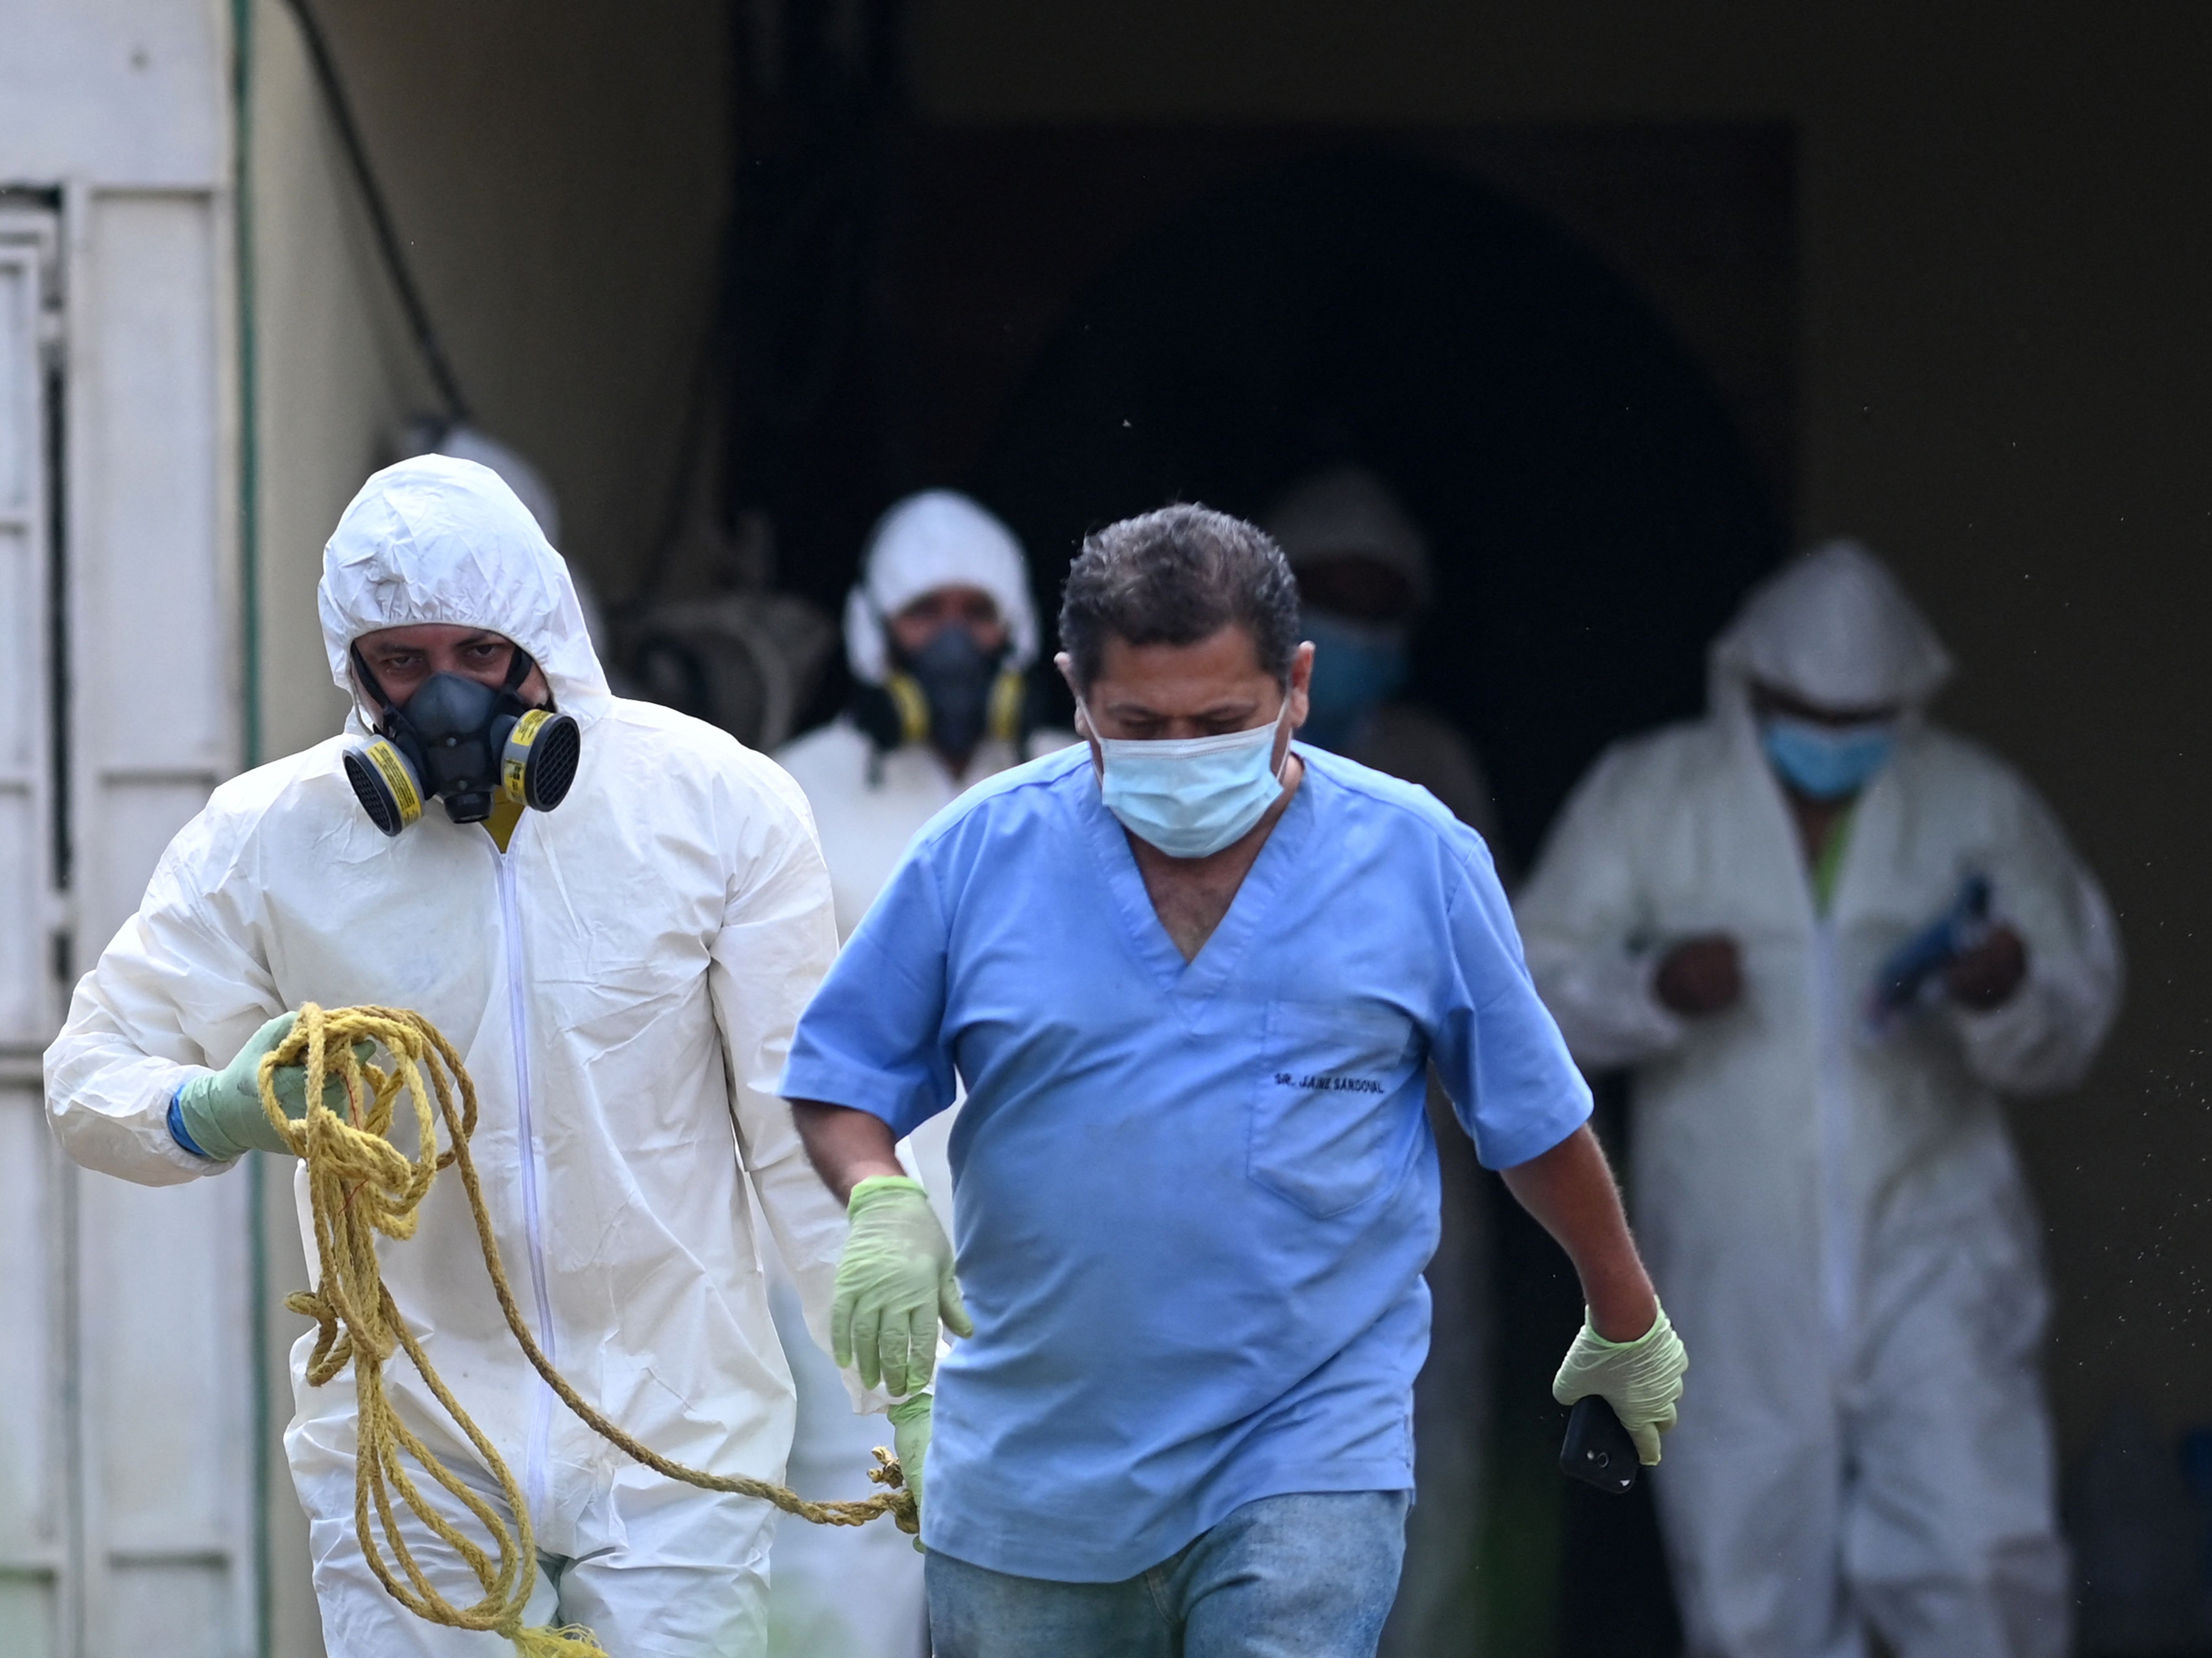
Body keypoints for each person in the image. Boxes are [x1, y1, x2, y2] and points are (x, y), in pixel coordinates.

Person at [777, 504, 1688, 1658]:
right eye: (1137, 726)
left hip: (1303, 1447)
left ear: (1296, 685)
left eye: (1219, 724)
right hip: (1029, 1468)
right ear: (1072, 693)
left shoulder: (1409, 858)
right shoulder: (983, 852)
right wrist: (879, 1195)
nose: (1179, 759)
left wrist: (1624, 1313)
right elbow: (841, 1070)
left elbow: (1528, 1115)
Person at [43, 455, 893, 1656]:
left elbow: (789, 1118)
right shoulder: (266, 842)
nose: (447, 703)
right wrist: (215, 1109)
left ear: (543, 638)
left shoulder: (716, 807)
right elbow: (86, 1081)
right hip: (410, 1453)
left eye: (480, 656)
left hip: (676, 1435)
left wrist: (911, 1394)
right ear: (356, 670)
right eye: (404, 664)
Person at [1514, 539, 2121, 1658]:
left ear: (1907, 702)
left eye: (1862, 717)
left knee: (1981, 1559)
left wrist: (2006, 991)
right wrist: (1654, 987)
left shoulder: (1970, 799)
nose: (1832, 740)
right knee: (1748, 1578)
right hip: (1735, 1255)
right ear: (1747, 686)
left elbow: (2075, 1015)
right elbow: (1525, 993)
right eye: (1806, 712)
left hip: (1936, 1240)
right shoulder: (1651, 795)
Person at [767, 491, 1070, 1658]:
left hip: (1052, 1250)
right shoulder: (791, 797)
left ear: (1017, 630)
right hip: (857, 1243)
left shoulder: (1080, 787)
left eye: (973, 612)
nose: (950, 640)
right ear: (869, 632)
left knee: (1056, 1549)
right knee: (861, 1541)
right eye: (921, 613)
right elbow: (771, 1053)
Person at [1263, 464, 1505, 1651]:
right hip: (1243, 1193)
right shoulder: (1201, 755)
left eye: (1377, 604)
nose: (1352, 628)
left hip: (1411, 1187)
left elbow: (1488, 988)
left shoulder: (1436, 769)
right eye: (1329, 598)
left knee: (1429, 1478)